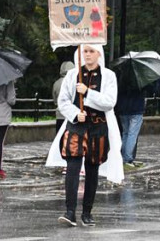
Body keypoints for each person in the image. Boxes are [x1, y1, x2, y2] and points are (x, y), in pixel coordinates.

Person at [46, 44, 123, 226]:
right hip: (76, 127)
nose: (87, 55)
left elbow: (109, 101)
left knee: (92, 168)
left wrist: (88, 93)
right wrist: (74, 113)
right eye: (85, 51)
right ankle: (70, 211)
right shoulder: (73, 75)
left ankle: (87, 212)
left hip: (98, 127)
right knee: (72, 166)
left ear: (98, 54)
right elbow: (63, 100)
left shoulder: (108, 76)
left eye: (91, 51)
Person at [115, 84, 146, 166]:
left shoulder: (121, 78)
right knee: (132, 134)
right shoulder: (140, 80)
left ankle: (123, 156)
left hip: (123, 107)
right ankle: (128, 158)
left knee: (125, 133)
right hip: (136, 108)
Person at [53, 61, 76, 134]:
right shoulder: (73, 82)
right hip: (71, 115)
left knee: (60, 137)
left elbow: (55, 100)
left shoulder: (56, 83)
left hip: (59, 115)